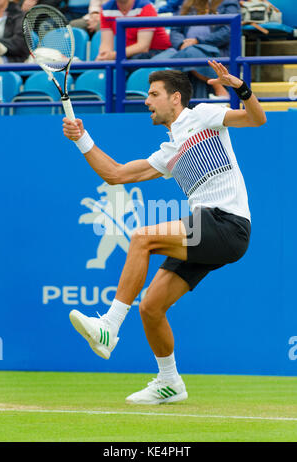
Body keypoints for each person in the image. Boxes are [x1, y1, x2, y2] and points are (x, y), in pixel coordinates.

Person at [62, 62, 266, 405]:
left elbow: (256, 118)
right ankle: (169, 382)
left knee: (142, 237)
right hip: (209, 230)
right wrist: (82, 138)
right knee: (151, 307)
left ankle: (109, 326)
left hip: (228, 223)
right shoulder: (169, 152)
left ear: (175, 98)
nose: (146, 101)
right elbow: (115, 174)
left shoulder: (202, 115)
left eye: (153, 94)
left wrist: (241, 87)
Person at [153, 0, 241, 98]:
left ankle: (220, 89)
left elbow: (227, 31)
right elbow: (175, 30)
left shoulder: (229, 3)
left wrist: (197, 41)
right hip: (183, 47)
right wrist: (181, 44)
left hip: (214, 49)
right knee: (156, 61)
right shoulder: (188, 3)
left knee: (191, 53)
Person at [96, 0, 171, 61]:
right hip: (130, 54)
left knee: (132, 62)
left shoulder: (145, 6)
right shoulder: (106, 9)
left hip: (159, 51)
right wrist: (103, 56)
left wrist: (114, 55)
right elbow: (106, 44)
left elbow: (143, 46)